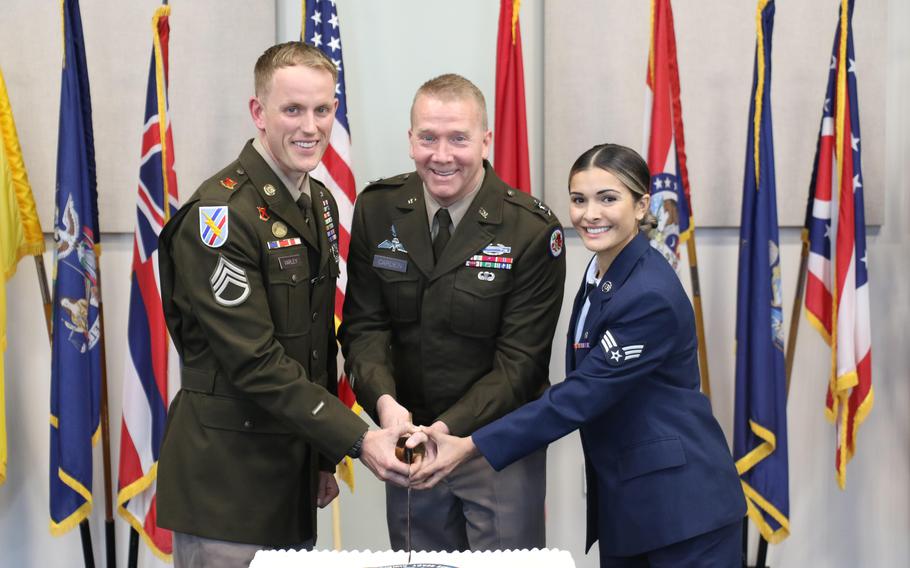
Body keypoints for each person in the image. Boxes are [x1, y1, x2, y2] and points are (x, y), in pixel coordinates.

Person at [410, 144, 746, 567]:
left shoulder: (648, 294)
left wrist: (470, 445)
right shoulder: (603, 272)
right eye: (578, 199)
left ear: (642, 205)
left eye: (608, 198)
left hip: (683, 513)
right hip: (633, 505)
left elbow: (580, 397)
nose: (590, 214)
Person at [156, 42, 410, 568]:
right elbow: (254, 361)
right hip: (228, 486)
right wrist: (360, 440)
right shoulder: (219, 216)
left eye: (323, 109)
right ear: (259, 112)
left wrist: (321, 456)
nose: (310, 126)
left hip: (289, 476)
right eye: (292, 109)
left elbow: (316, 344)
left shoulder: (314, 199)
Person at [339, 73, 566, 552]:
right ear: (410, 140)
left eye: (458, 139)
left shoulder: (529, 228)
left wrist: (446, 432)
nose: (441, 156)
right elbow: (365, 328)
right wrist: (385, 405)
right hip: (410, 443)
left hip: (494, 449)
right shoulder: (378, 210)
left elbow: (520, 364)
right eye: (428, 138)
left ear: (485, 141)